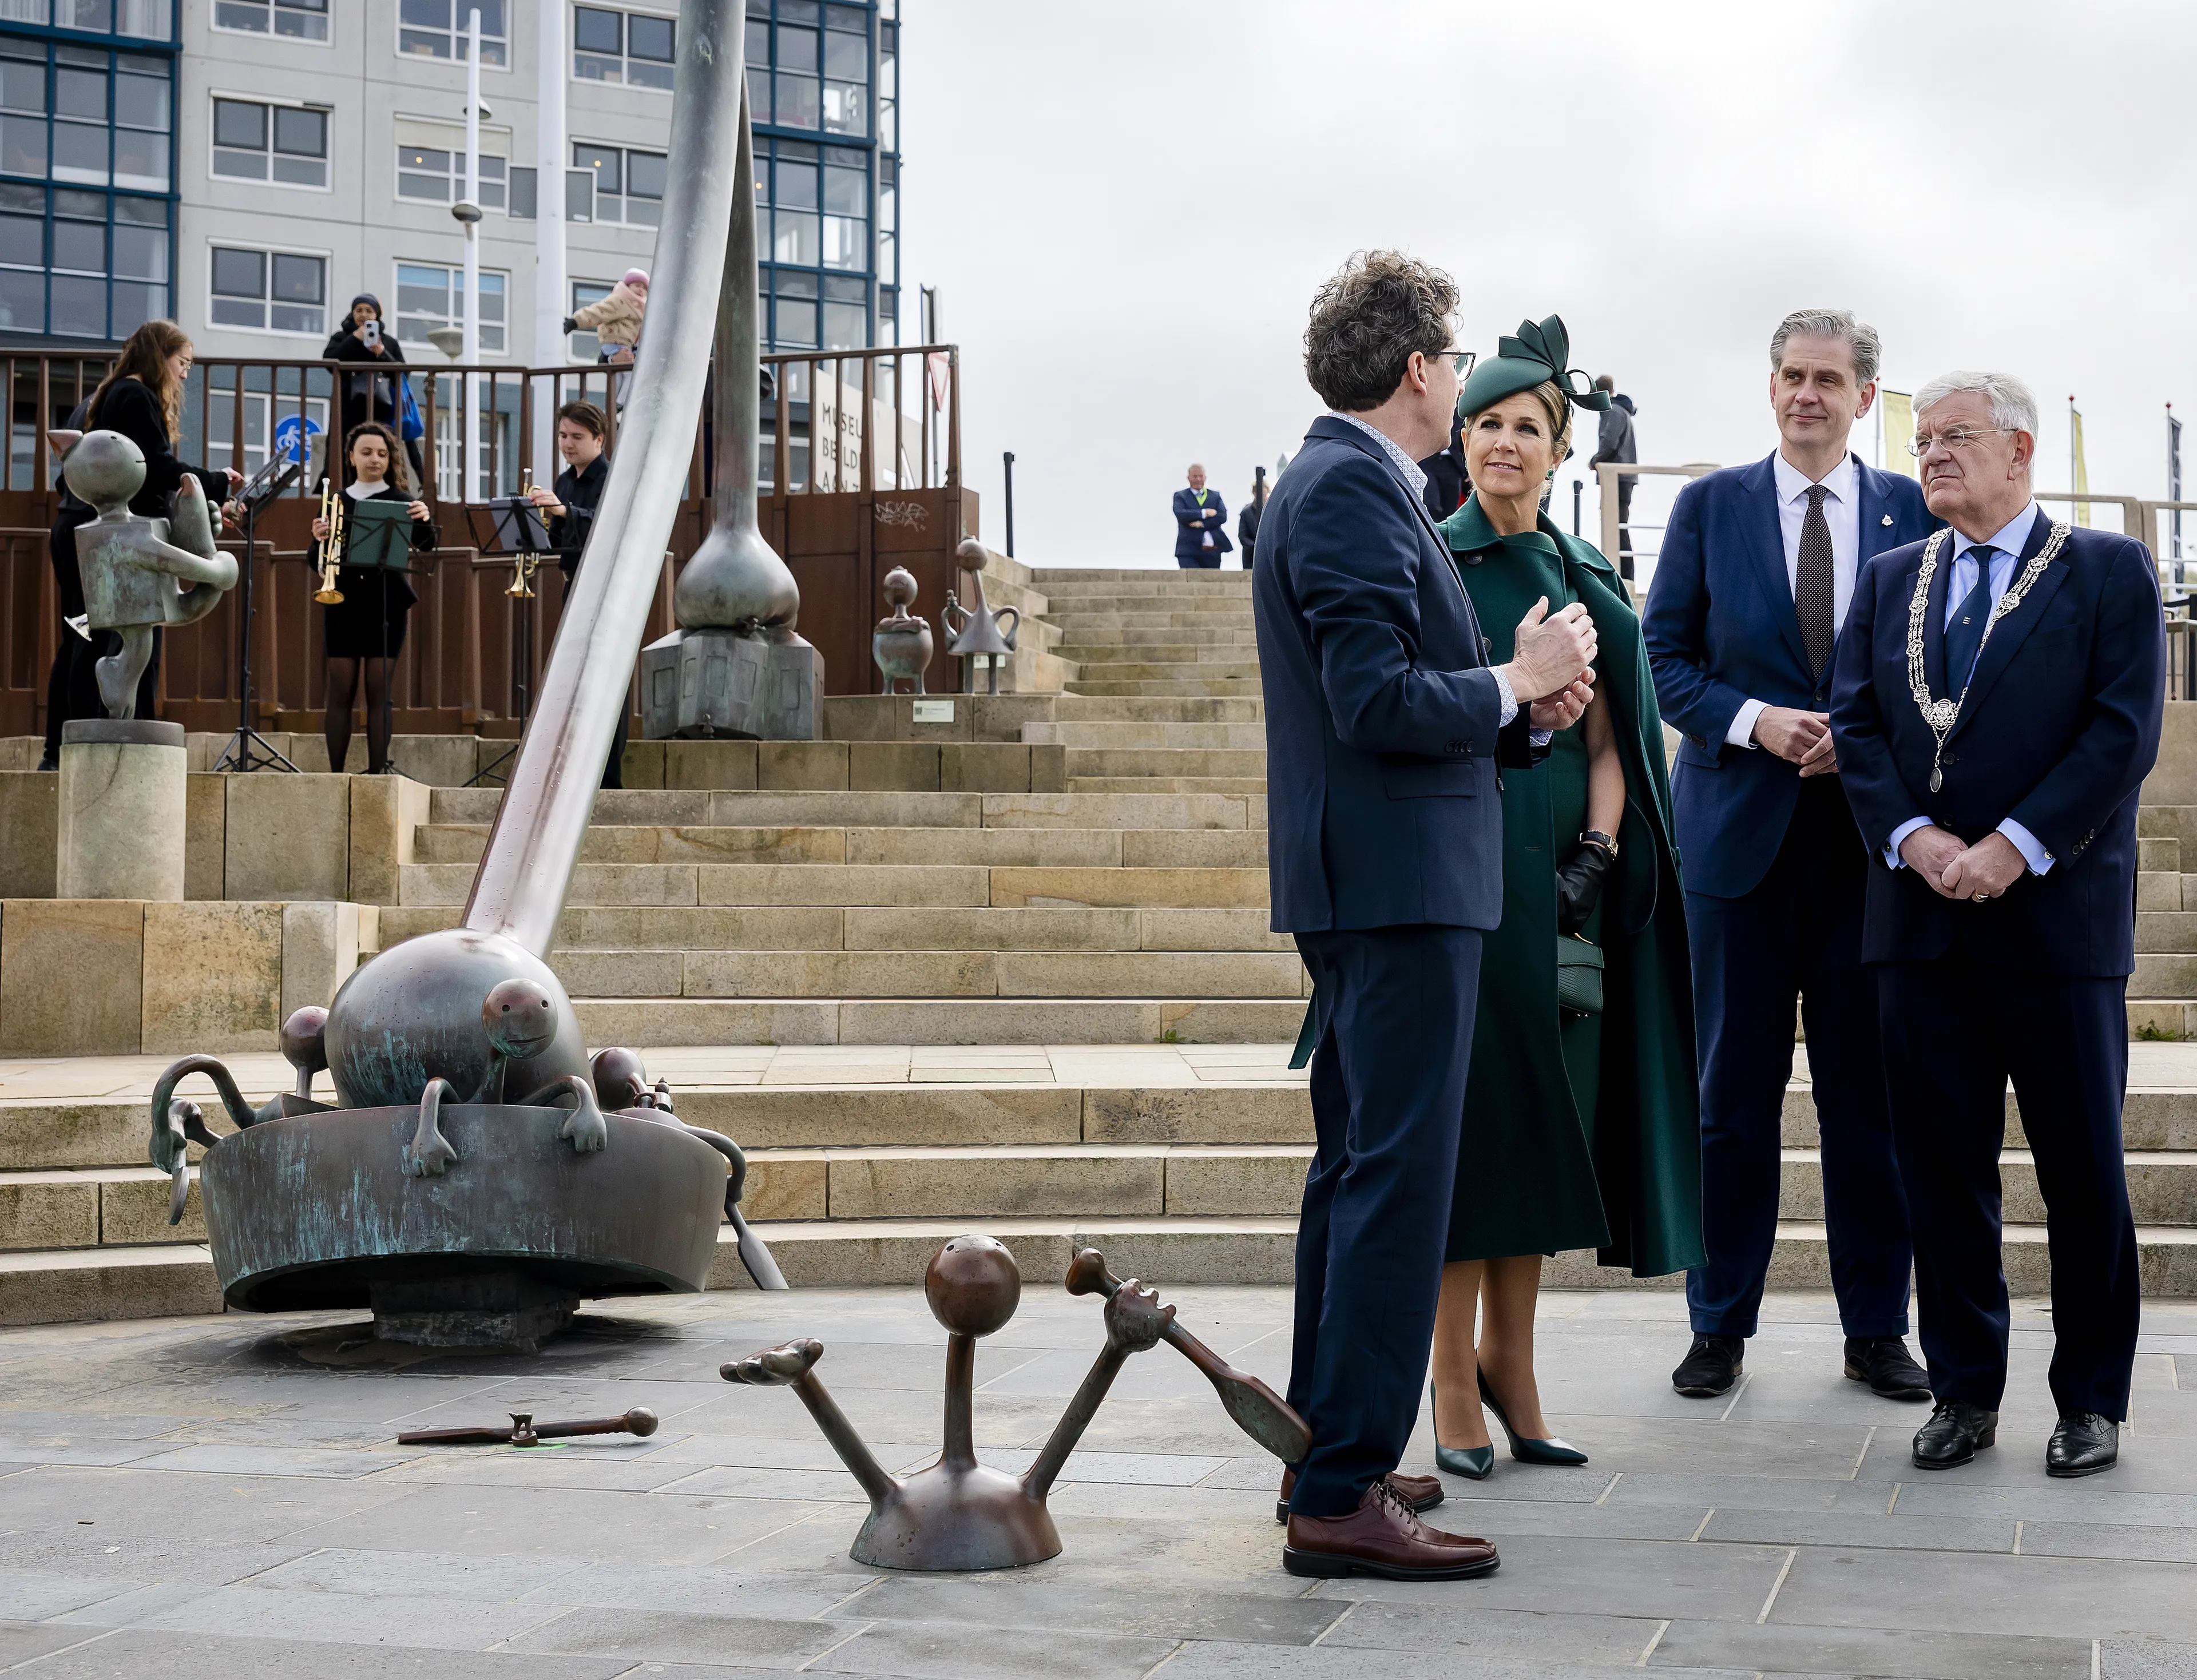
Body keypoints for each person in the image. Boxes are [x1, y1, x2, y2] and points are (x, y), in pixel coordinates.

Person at [1256, 251, 1593, 1581]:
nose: (1459, 383)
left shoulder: (1351, 483)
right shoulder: (1348, 486)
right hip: (1393, 890)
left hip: (1387, 875)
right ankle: (1339, 1487)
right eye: (1453, 362)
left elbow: (1413, 701)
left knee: (1359, 1171)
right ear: (1418, 372)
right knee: (1394, 1181)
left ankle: (1326, 1446)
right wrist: (1513, 677)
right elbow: (1375, 701)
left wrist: (1518, 713)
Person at [1830, 371, 2162, 1480]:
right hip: (1916, 929)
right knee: (1940, 1168)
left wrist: (2013, 843)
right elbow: (1857, 723)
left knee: (2083, 1170)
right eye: (1923, 440)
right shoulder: (1888, 580)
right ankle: (1966, 1389)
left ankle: (2092, 1399)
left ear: (2022, 450)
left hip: (2056, 924)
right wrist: (1915, 840)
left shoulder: (2108, 571)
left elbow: (2122, 731)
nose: (1929, 455)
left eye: (1955, 437)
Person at [1642, 308, 1937, 1405]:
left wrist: (1859, 746)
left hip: (1873, 854)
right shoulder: (1710, 508)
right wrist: (1757, 720)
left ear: (1867, 396)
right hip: (1739, 846)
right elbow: (1664, 659)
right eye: (1790, 375)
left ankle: (1877, 1331)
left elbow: (1935, 664)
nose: (1806, 393)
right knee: (1732, 1099)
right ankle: (1719, 1321)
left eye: (1828, 378)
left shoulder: (1913, 512)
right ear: (1769, 389)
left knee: (1871, 1104)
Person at [1427, 318, 1701, 1480]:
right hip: (1455, 885)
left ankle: (1516, 1365)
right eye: (1487, 421)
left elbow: (1610, 738)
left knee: (1545, 1127)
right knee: (1466, 1138)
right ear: (1462, 437)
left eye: (1527, 426)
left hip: (1560, 896)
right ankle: (1449, 1380)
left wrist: (1597, 851)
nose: (1505, 441)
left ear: (1559, 450)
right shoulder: (1428, 561)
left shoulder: (1586, 575)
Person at [41, 320, 242, 767]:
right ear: (159, 355)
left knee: (82, 635)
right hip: (110, 535)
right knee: (116, 636)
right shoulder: (135, 395)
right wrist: (215, 483)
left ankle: (60, 748)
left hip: (79, 527)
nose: (185, 373)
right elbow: (151, 466)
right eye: (182, 362)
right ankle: (109, 741)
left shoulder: (104, 397)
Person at [310, 420, 437, 775]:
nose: (375, 460)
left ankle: (377, 773)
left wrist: (424, 518)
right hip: (342, 603)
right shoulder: (336, 501)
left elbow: (427, 544)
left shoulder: (401, 500)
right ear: (351, 457)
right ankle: (336, 775)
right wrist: (320, 538)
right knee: (340, 693)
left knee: (380, 693)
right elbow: (314, 561)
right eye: (367, 453)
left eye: (382, 454)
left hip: (386, 604)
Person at [528, 400, 626, 788]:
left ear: (599, 439)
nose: (568, 444)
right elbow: (559, 541)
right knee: (574, 683)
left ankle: (609, 778)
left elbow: (609, 525)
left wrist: (564, 511)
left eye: (577, 437)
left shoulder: (612, 477)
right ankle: (579, 772)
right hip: (575, 587)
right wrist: (534, 522)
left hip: (606, 589)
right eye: (563, 435)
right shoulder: (565, 480)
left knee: (606, 682)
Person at [321, 294, 422, 483]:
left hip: (381, 408)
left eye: (369, 311)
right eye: (359, 310)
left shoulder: (388, 342)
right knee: (343, 449)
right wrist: (354, 339)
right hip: (347, 408)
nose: (364, 315)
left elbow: (402, 374)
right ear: (352, 313)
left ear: (377, 315)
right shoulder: (342, 337)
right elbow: (329, 363)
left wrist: (382, 353)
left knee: (383, 447)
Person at [1588, 375, 1639, 579]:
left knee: (1616, 526)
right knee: (1618, 525)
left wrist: (1595, 460)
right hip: (1624, 477)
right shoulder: (1621, 411)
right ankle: (1623, 575)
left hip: (1617, 478)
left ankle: (1624, 577)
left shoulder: (1613, 411)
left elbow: (1610, 443)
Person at [564, 269, 649, 366]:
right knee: (621, 372)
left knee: (627, 372)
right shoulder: (620, 301)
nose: (641, 290)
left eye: (644, 288)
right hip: (616, 343)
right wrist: (576, 321)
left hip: (629, 347)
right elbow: (599, 311)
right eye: (637, 286)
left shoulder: (643, 308)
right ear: (628, 286)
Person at [1172, 464, 1232, 567]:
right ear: (1189, 478)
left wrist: (1202, 524)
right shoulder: (1180, 496)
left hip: (1212, 550)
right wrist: (1204, 513)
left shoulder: (1215, 496)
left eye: (1201, 476)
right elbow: (1181, 514)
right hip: (1188, 550)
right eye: (1195, 476)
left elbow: (1222, 517)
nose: (1198, 479)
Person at [1418, 410, 1470, 521]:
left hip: (1452, 464)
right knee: (1431, 505)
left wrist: (1468, 467)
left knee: (1450, 511)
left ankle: (1442, 537)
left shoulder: (1460, 408)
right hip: (1428, 462)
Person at [1236, 467, 1267, 570]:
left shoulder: (1273, 509)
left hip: (1268, 554)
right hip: (1250, 556)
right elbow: (1243, 536)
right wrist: (1255, 546)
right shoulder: (1246, 512)